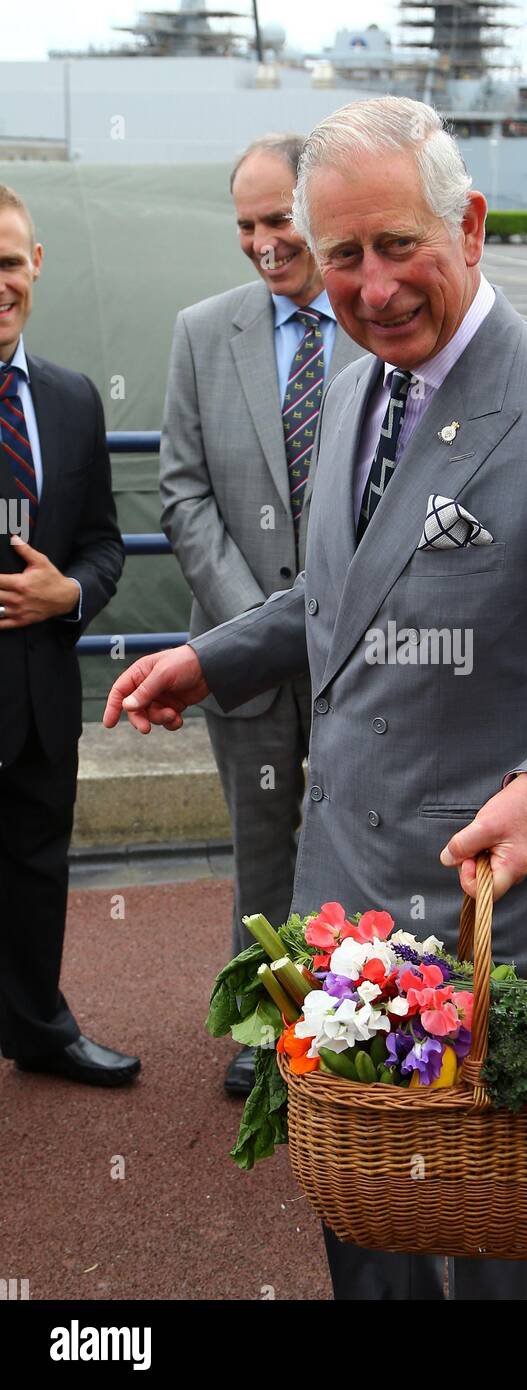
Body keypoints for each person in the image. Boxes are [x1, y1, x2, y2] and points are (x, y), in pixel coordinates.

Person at [104, 96, 527, 1301]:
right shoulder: (358, 381)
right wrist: (214, 655)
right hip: (343, 917)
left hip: (498, 931)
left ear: (469, 224)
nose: (370, 287)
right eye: (341, 256)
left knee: (492, 1256)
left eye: (397, 246)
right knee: (360, 1225)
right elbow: (345, 594)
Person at [159, 134, 363, 1097]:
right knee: (260, 846)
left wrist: (327, 627)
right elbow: (182, 496)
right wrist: (259, 630)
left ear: (317, 211)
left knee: (364, 835)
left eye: (278, 220)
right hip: (248, 661)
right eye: (244, 225)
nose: (261, 242)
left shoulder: (379, 325)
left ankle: (353, 1020)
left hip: (368, 653)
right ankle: (267, 1025)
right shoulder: (202, 332)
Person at [0, 185, 135, 1085]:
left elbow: (103, 543)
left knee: (36, 873)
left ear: (35, 265)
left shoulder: (72, 398)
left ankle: (39, 1031)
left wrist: (68, 596)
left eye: (9, 263)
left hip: (39, 698)